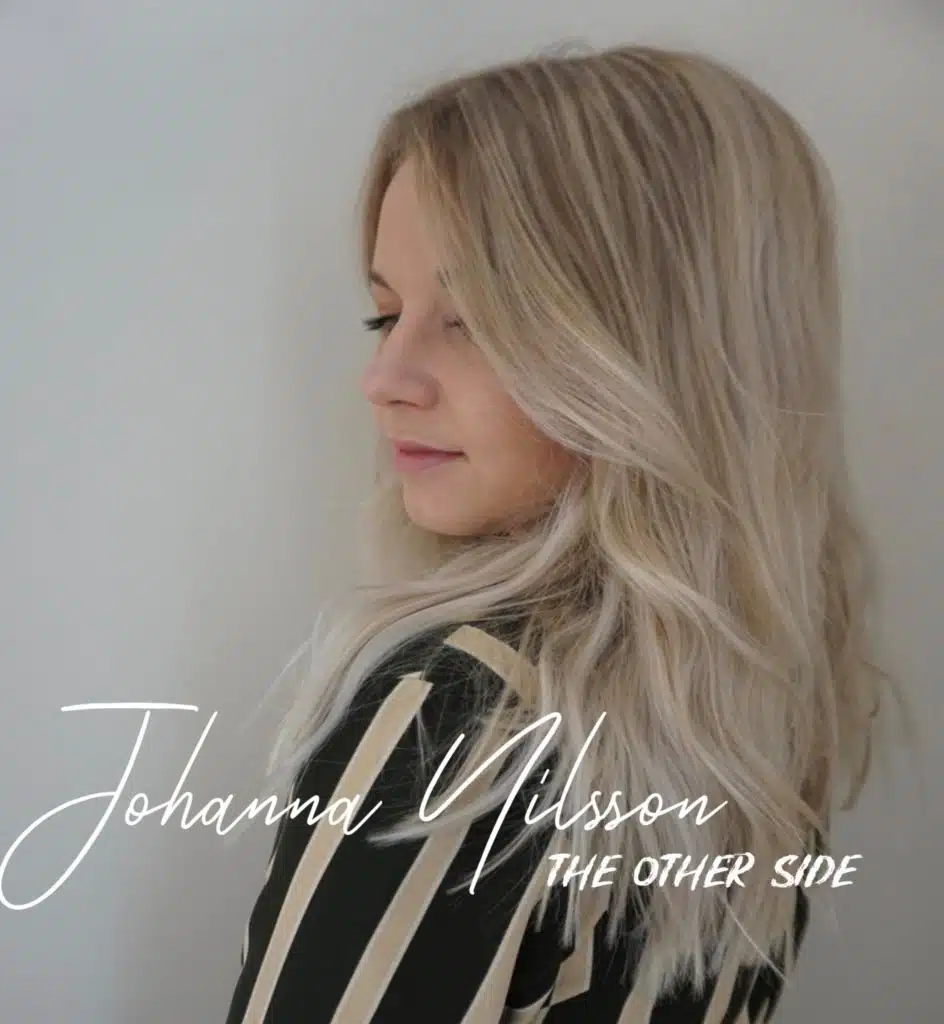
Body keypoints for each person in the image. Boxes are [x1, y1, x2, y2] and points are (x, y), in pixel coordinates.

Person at [223, 43, 896, 1023]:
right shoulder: (765, 705)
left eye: (473, 318)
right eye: (385, 316)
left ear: (653, 351)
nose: (385, 378)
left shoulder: (452, 720)